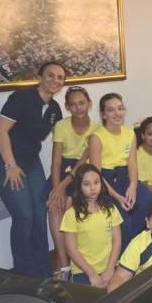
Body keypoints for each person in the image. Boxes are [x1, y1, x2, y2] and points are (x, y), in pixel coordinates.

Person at [0, 61, 66, 277]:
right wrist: (10, 165)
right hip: (5, 163)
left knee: (40, 213)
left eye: (60, 78)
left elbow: (63, 139)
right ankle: (25, 272)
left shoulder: (54, 109)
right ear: (39, 77)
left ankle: (43, 269)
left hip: (31, 163)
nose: (55, 80)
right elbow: (0, 131)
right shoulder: (21, 98)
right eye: (50, 75)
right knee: (24, 215)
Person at [46, 85, 99, 279]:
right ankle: (63, 262)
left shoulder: (97, 129)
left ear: (89, 104)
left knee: (68, 204)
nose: (78, 108)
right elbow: (56, 161)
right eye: (73, 104)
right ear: (67, 107)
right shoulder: (61, 126)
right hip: (62, 170)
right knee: (54, 206)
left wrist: (61, 188)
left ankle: (76, 259)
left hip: (83, 171)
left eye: (82, 103)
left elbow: (83, 161)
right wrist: (55, 190)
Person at [88, 93, 152, 248]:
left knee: (148, 203)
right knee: (123, 221)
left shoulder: (130, 133)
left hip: (126, 179)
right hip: (105, 183)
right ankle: (124, 255)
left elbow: (132, 164)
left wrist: (133, 186)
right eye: (111, 110)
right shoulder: (96, 137)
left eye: (120, 108)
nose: (117, 113)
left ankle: (138, 248)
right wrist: (117, 197)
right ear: (103, 114)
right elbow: (96, 175)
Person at [60, 164, 122, 287]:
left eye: (96, 182)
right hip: (83, 271)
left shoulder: (111, 209)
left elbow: (117, 240)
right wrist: (92, 274)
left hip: (110, 267)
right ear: (79, 186)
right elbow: (71, 250)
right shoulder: (71, 214)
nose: (93, 188)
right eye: (86, 184)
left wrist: (110, 270)